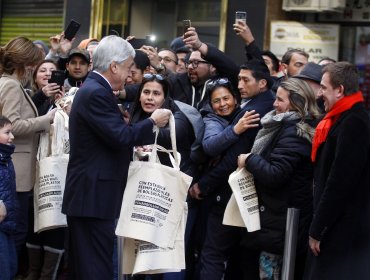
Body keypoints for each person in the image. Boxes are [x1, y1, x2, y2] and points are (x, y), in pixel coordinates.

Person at [61, 35, 171, 280]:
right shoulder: (96, 92)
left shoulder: (95, 89)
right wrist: (153, 121)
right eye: (128, 68)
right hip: (92, 197)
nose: (129, 75)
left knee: (85, 266)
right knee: (94, 268)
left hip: (90, 195)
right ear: (114, 66)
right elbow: (121, 136)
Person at [189, 60, 275, 280]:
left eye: (245, 80)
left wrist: (205, 184)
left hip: (233, 194)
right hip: (249, 195)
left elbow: (231, 161)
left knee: (214, 254)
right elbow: (209, 146)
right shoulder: (220, 117)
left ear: (263, 83)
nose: (240, 84)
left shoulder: (253, 112)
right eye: (239, 79)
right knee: (240, 257)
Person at [237, 77, 321, 280]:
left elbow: (275, 174)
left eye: (280, 100)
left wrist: (250, 159)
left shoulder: (295, 132)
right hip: (277, 217)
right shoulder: (284, 125)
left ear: (296, 103)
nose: (274, 104)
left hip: (283, 219)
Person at [304, 62, 370, 279]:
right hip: (335, 226)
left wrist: (318, 229)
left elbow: (339, 182)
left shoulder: (354, 123)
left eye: (323, 87)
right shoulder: (340, 118)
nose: (319, 93)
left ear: (340, 90)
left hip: (342, 231)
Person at [0, 37, 56, 276]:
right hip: (17, 171)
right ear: (24, 63)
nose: (33, 69)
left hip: (16, 169)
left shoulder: (7, 83)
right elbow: (11, 125)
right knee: (16, 233)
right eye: (33, 64)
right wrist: (47, 120)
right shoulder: (10, 85)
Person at [24, 59, 66, 280]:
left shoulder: (68, 98)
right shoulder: (29, 97)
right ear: (35, 76)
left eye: (53, 71)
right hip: (32, 169)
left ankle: (48, 274)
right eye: (43, 70)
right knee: (33, 220)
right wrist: (42, 96)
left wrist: (62, 104)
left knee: (55, 220)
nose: (49, 74)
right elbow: (24, 121)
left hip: (57, 171)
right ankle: (32, 271)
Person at [0, 116, 17, 280]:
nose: (12, 136)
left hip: (7, 223)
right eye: (7, 132)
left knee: (11, 266)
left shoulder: (5, 158)